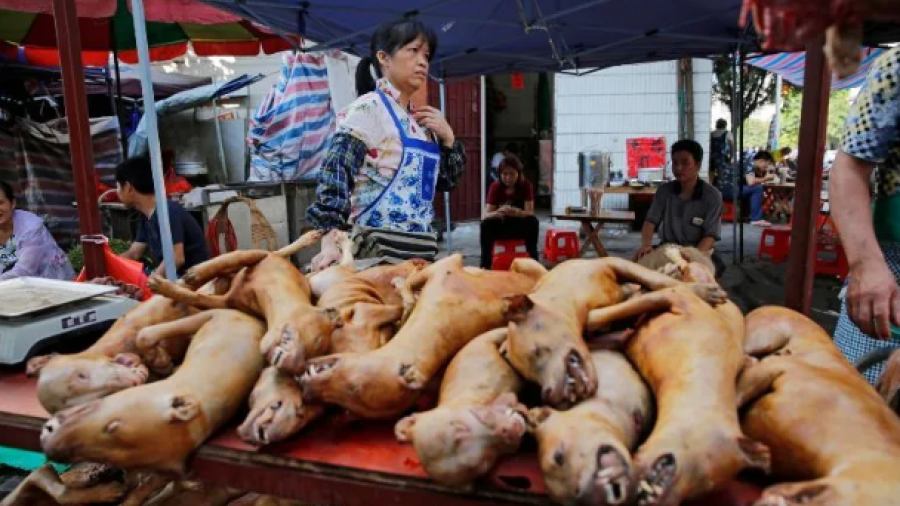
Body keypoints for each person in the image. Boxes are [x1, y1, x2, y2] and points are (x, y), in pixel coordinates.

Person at [306, 19, 465, 270]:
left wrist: (449, 140)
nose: (423, 61)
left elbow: (445, 182)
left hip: (419, 249)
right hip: (375, 252)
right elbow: (335, 173)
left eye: (426, 55)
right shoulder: (368, 109)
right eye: (413, 51)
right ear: (384, 57)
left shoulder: (422, 122)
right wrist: (329, 241)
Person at [830, 46, 900, 384]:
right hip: (892, 271)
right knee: (856, 399)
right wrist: (866, 265)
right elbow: (849, 167)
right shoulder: (897, 66)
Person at [634, 140, 725, 276]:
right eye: (675, 163)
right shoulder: (664, 191)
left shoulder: (712, 196)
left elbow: (710, 236)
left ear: (698, 165)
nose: (678, 168)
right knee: (637, 270)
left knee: (700, 275)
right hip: (668, 248)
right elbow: (650, 222)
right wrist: (646, 244)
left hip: (699, 250)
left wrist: (693, 258)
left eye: (684, 163)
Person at [116, 157, 209, 279]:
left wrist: (150, 282)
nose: (116, 192)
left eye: (117, 186)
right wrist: (110, 263)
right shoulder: (146, 216)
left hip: (193, 280)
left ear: (128, 188)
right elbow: (134, 253)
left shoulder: (168, 212)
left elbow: (176, 258)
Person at [0, 180, 75, 281]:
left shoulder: (31, 227)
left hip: (55, 286)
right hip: (14, 288)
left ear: (12, 203)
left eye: (0, 203)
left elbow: (25, 271)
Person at [480, 156, 539, 268]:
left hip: (519, 226)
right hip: (502, 225)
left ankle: (533, 261)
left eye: (512, 174)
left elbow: (530, 212)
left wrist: (518, 212)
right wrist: (498, 212)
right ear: (500, 174)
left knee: (533, 222)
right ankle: (485, 265)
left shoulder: (526, 186)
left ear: (519, 173)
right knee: (485, 225)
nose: (508, 178)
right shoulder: (495, 187)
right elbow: (486, 215)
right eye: (504, 174)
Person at [710, 118, 734, 188]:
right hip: (723, 158)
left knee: (711, 174)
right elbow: (732, 146)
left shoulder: (712, 133)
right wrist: (731, 157)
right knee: (722, 176)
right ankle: (720, 190)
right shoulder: (728, 133)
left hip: (712, 157)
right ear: (725, 125)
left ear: (716, 124)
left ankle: (710, 188)